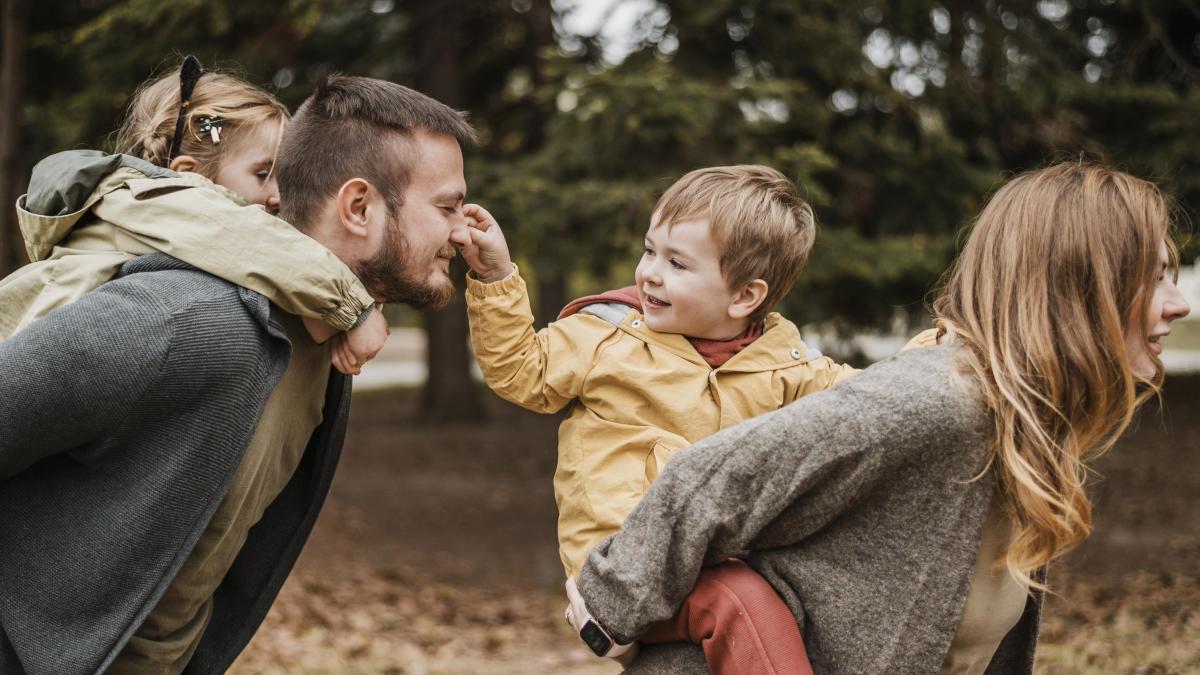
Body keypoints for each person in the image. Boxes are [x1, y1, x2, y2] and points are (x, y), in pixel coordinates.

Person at [562, 162, 1191, 674]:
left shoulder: (1022, 416)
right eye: (1156, 277)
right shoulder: (941, 402)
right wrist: (611, 608)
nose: (1179, 304)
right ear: (1081, 286)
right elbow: (713, 474)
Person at [0, 75, 476, 675]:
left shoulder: (325, 345)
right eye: (447, 207)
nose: (463, 230)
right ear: (359, 207)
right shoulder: (189, 321)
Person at [457, 165, 858, 674]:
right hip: (625, 561)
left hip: (716, 556)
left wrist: (947, 351)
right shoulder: (608, 336)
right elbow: (521, 370)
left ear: (744, 297)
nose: (648, 272)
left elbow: (873, 397)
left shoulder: (788, 365)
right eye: (650, 250)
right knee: (742, 603)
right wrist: (495, 277)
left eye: (677, 263)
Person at [0, 56, 388, 372]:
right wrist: (352, 308)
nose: (277, 196)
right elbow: (251, 241)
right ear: (188, 176)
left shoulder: (186, 236)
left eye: (282, 177)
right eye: (261, 173)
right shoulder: (160, 204)